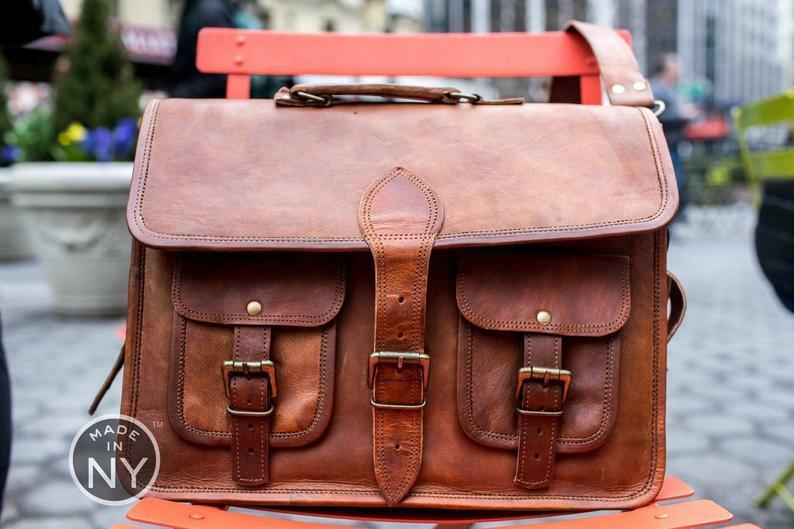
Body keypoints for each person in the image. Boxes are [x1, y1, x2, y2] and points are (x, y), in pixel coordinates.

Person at [650, 54, 697, 218]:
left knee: (676, 182)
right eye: (675, 68)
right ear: (666, 70)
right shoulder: (657, 87)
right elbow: (654, 113)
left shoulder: (669, 88)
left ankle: (673, 219)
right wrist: (682, 114)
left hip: (673, 141)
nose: (678, 71)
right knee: (671, 182)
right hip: (665, 142)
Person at [170, 0, 236, 98]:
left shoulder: (209, 13)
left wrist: (171, 96)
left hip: (205, 106)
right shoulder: (199, 8)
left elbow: (218, 79)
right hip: (195, 99)